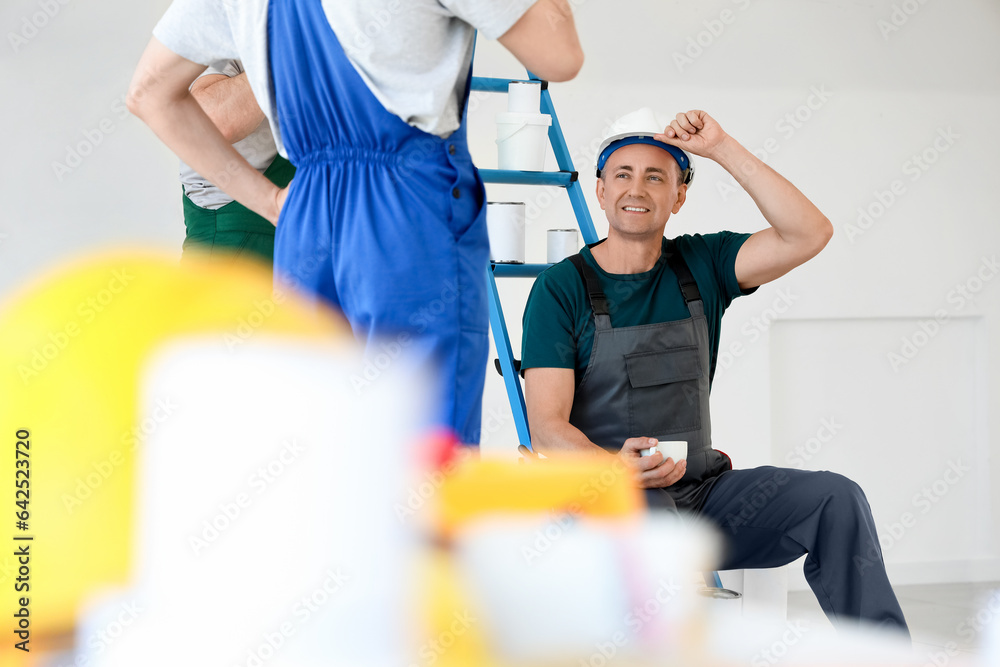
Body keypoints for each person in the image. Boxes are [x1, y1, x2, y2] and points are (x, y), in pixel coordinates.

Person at [520, 107, 909, 635]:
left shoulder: (702, 264)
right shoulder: (560, 290)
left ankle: (886, 654)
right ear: (601, 191)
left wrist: (722, 148)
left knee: (836, 499)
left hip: (701, 495)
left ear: (679, 196)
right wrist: (614, 469)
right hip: (608, 505)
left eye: (657, 176)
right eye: (623, 174)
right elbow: (547, 425)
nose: (638, 188)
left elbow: (809, 233)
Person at [127, 0, 583, 445]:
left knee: (323, 442)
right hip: (407, 206)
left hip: (308, 211)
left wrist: (269, 201)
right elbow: (560, 57)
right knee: (424, 444)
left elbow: (149, 93)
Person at [181, 60, 294, 265]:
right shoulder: (223, 44)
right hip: (231, 246)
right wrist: (283, 55)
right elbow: (211, 120)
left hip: (296, 244)